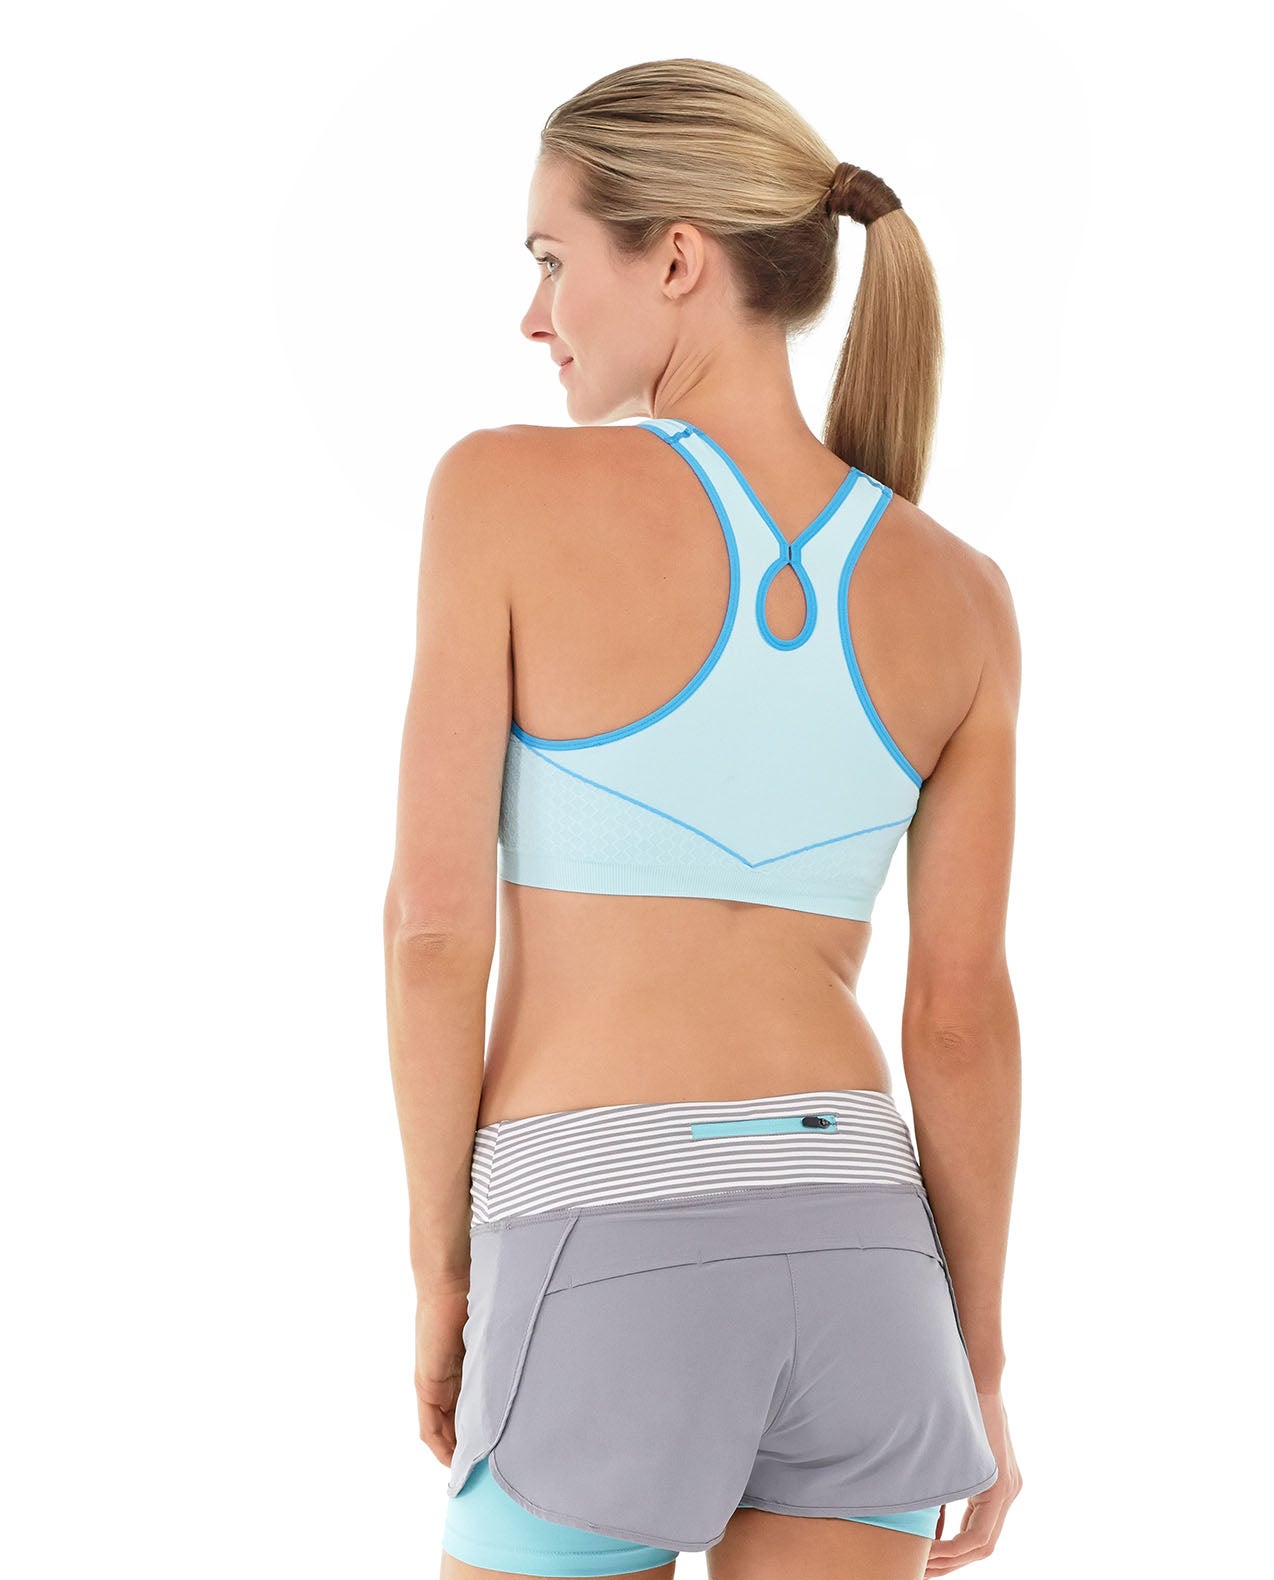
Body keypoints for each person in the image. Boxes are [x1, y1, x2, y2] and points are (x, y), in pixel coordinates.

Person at [383, 56, 1023, 1580]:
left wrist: (438, 1271)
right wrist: (978, 1360)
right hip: (866, 1253)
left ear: (675, 259)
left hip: (599, 1233)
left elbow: (429, 935)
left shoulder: (499, 496)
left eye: (552, 259)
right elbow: (956, 1019)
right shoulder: (962, 596)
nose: (533, 315)